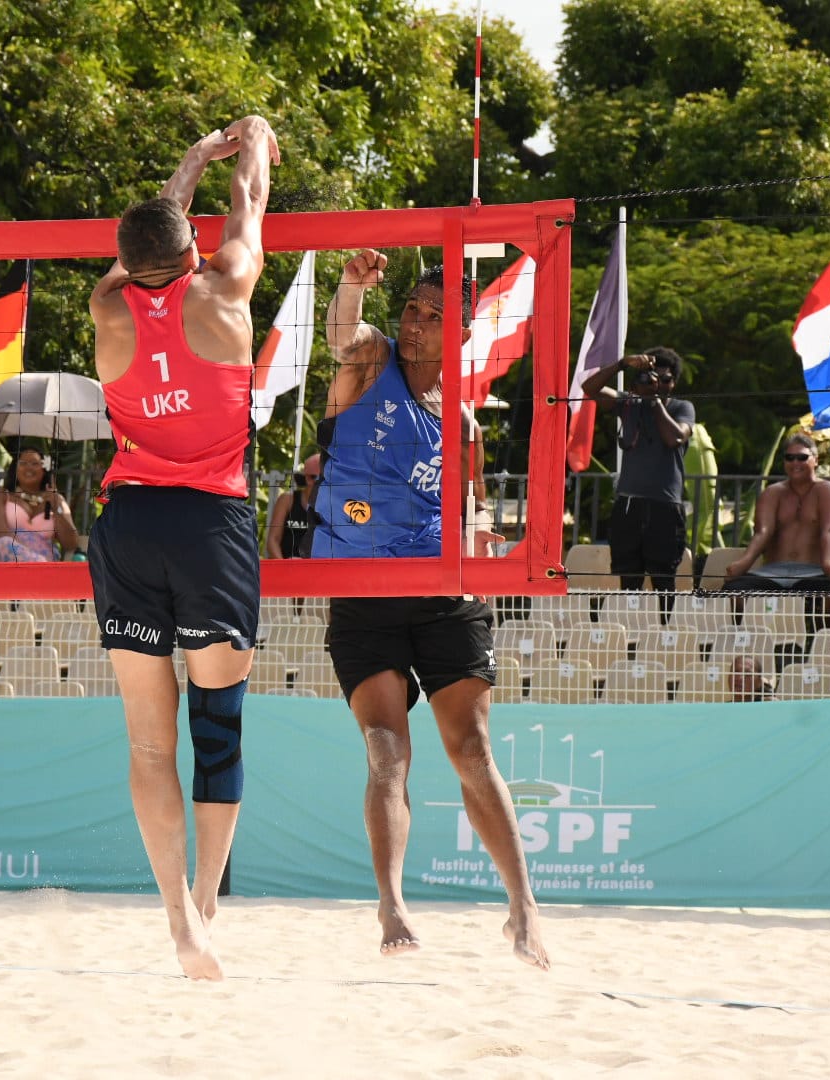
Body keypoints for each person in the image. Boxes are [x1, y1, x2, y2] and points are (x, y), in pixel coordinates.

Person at [314, 249, 548, 970]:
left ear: (460, 334)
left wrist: (480, 539)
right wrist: (353, 283)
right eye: (412, 309)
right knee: (388, 753)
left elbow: (464, 504)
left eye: (431, 316)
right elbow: (340, 335)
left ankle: (524, 909)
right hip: (362, 588)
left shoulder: (462, 418)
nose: (414, 323)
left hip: (443, 590)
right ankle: (391, 904)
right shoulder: (372, 361)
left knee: (472, 751)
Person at [86, 115, 278, 981]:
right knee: (219, 731)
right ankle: (206, 902)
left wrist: (187, 162)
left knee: (150, 749)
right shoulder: (228, 288)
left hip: (129, 526)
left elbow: (150, 245)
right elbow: (252, 201)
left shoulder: (105, 306)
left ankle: (176, 920)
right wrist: (249, 143)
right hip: (211, 524)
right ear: (194, 246)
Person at [581, 347, 695, 590]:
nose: (658, 385)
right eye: (652, 379)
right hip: (629, 505)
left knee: (664, 578)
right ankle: (630, 626)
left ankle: (664, 626)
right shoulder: (629, 404)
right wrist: (622, 364)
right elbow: (589, 388)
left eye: (664, 380)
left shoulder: (681, 408)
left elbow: (674, 437)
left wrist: (653, 401)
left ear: (673, 383)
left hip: (665, 506)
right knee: (628, 576)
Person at [723, 434, 830, 591]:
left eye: (802, 457)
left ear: (815, 460)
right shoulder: (772, 492)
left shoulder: (829, 491)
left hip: (815, 571)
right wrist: (744, 563)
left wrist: (828, 563)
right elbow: (762, 532)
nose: (795, 462)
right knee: (733, 592)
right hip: (772, 571)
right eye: (790, 458)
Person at [0, 447, 78, 562]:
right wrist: (30, 556)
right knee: (7, 543)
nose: (29, 467)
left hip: (43, 562)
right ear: (15, 468)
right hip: (0, 556)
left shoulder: (57, 499)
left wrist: (56, 509)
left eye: (35, 463)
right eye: (23, 463)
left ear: (44, 469)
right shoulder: (0, 494)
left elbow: (71, 544)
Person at [265, 452, 320, 558]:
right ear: (307, 478)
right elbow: (273, 540)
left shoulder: (332, 505)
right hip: (287, 564)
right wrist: (284, 568)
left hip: (318, 568)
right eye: (314, 478)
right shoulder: (287, 500)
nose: (319, 483)